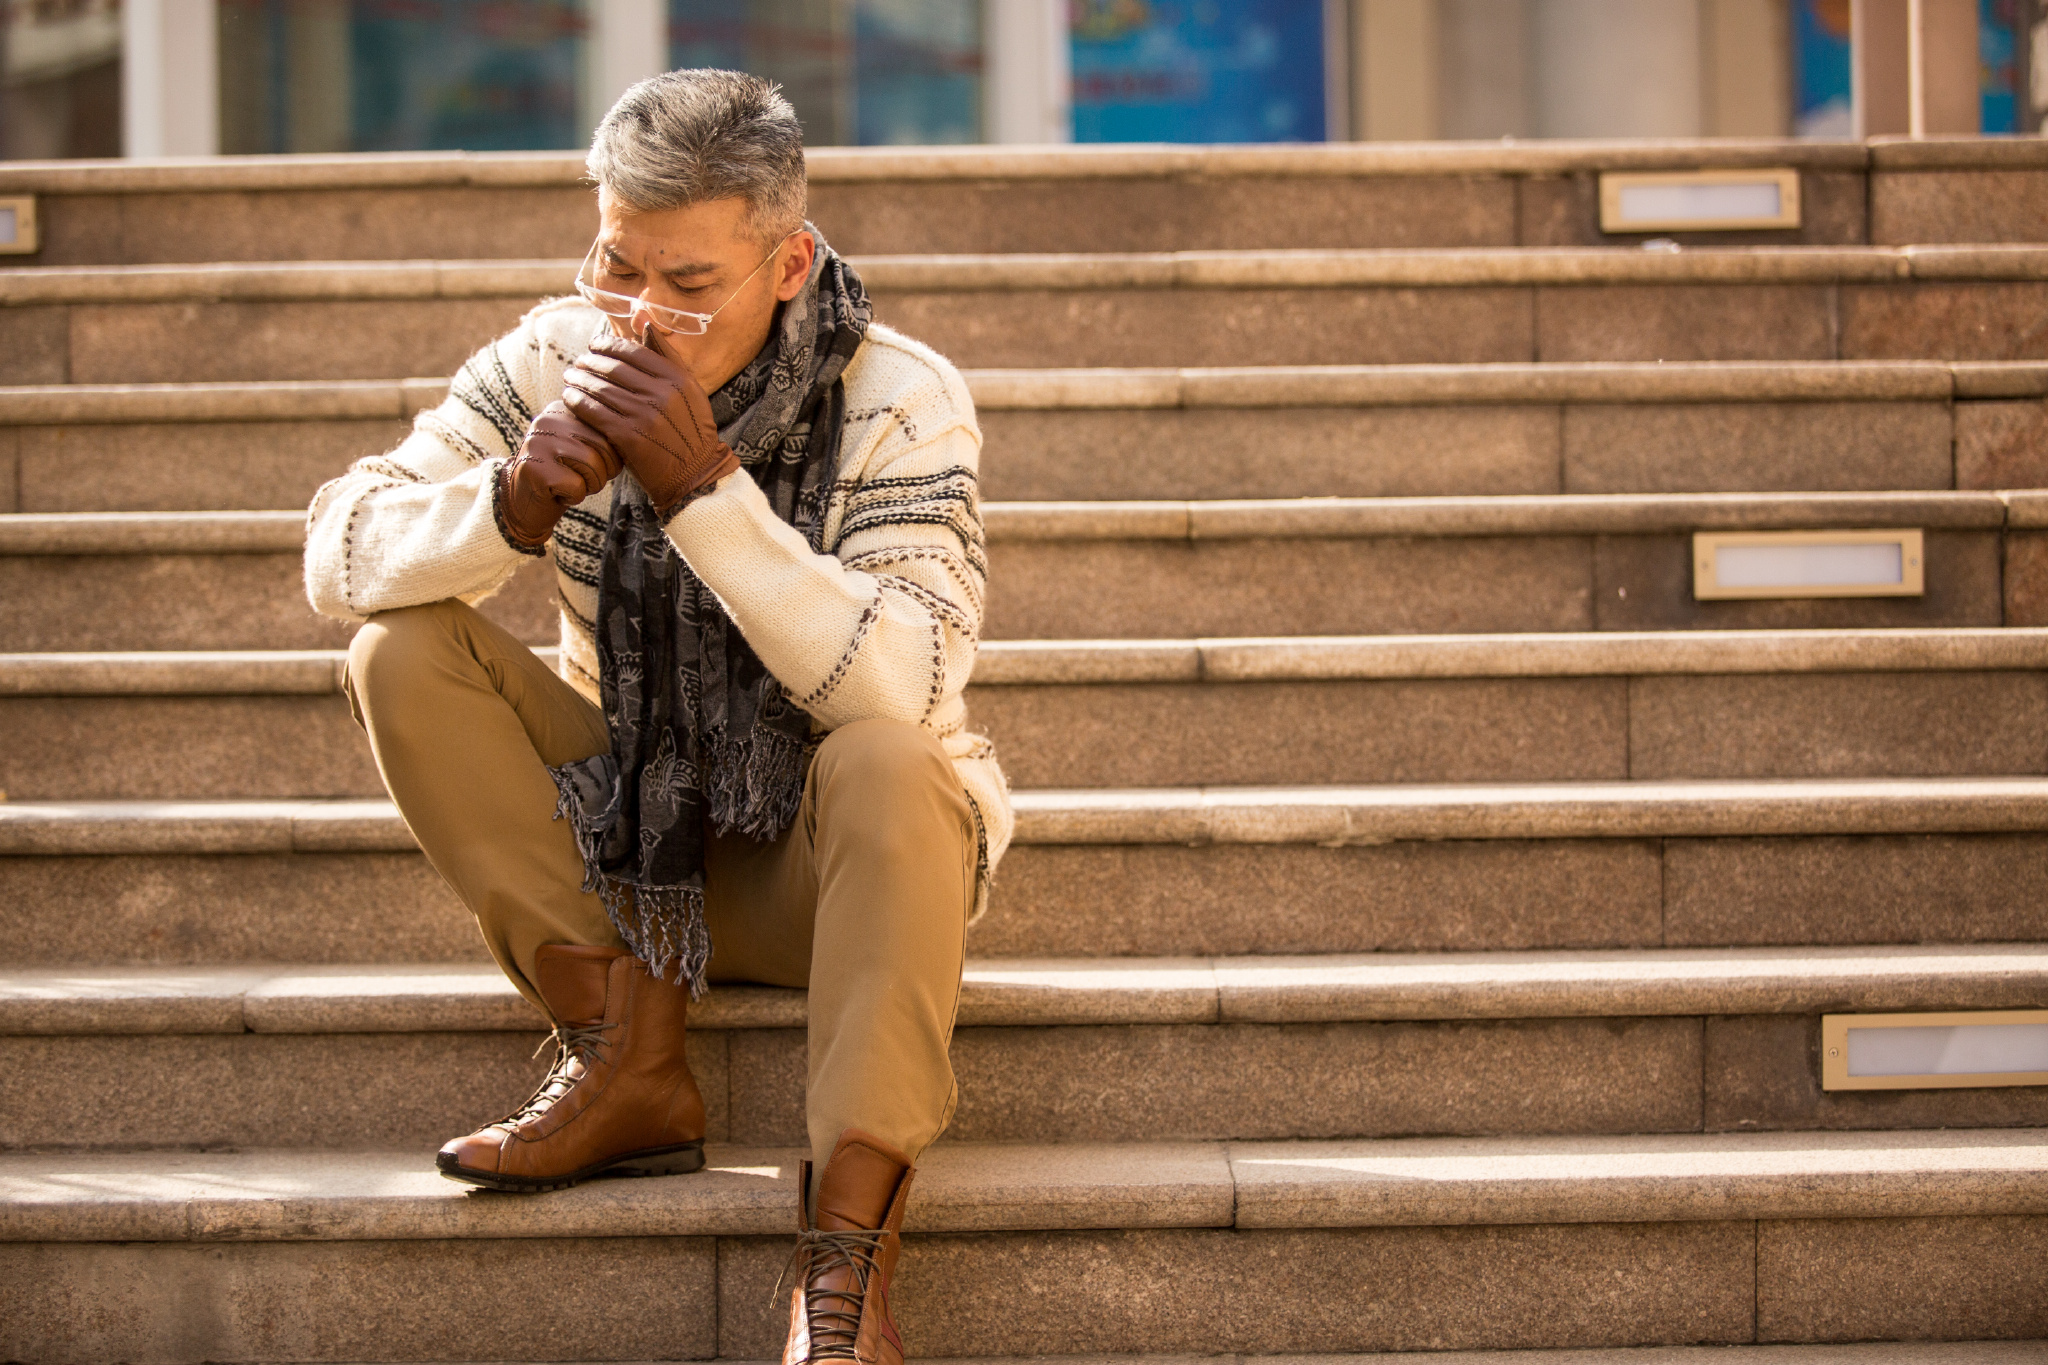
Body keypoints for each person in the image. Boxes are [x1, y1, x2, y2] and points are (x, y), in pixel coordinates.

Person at [303, 68, 1010, 1365]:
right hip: (635, 860)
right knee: (399, 648)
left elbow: (907, 685)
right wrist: (506, 505)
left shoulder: (899, 398)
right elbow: (338, 551)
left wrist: (704, 494)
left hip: (838, 876)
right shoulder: (551, 360)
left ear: (788, 264)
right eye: (617, 266)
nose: (638, 315)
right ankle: (625, 1058)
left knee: (894, 763)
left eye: (688, 285)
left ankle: (843, 1270)